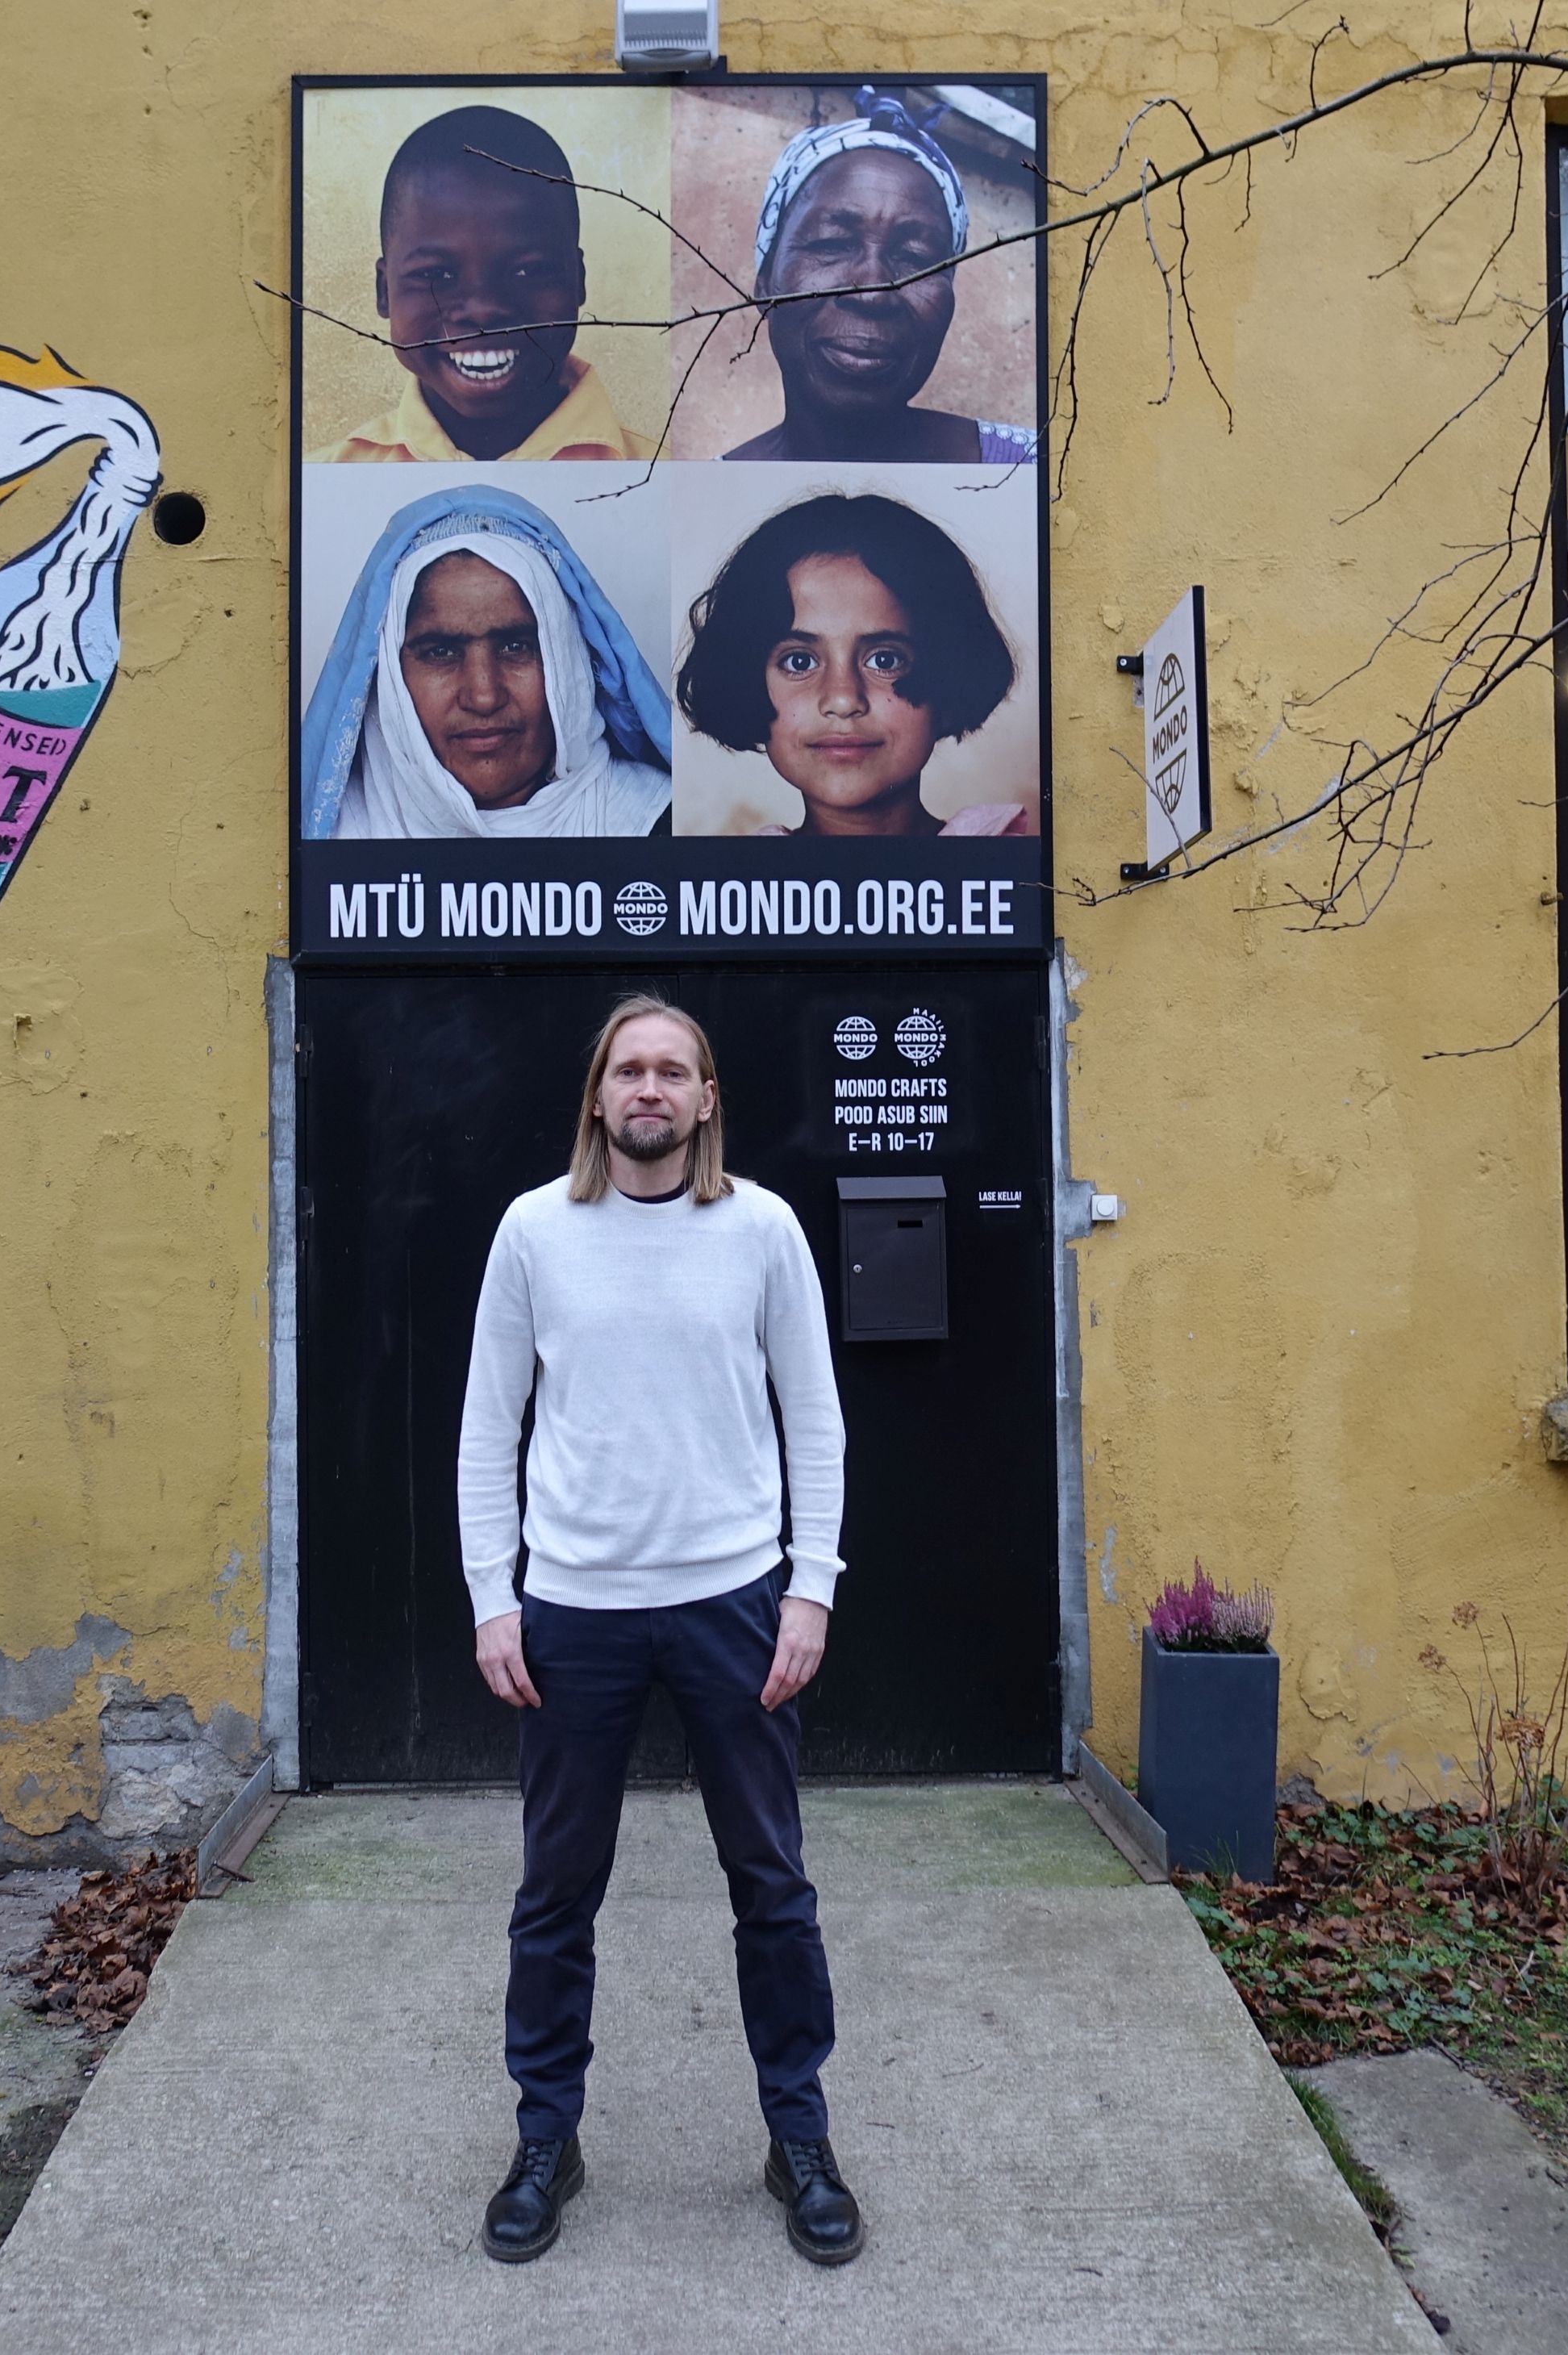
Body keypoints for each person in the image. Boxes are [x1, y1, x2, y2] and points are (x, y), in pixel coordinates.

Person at [457, 996, 862, 2271]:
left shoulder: (761, 1229)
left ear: (704, 1098)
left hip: (733, 1602)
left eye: (671, 1070)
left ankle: (797, 2134)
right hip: (574, 1608)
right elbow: (487, 1426)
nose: (648, 1087)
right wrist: (490, 1592)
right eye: (628, 1068)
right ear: (596, 1095)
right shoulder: (534, 1229)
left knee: (773, 1888)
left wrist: (811, 1587)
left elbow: (816, 1418)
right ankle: (544, 2138)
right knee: (555, 1894)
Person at [302, 484, 673, 839]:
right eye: (440, 652)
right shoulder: (321, 847)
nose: (484, 696)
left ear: (568, 660)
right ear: (388, 680)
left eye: (516, 646)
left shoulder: (662, 825)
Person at [678, 491, 1031, 837]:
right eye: (799, 661)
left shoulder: (1000, 866)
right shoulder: (739, 883)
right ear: (745, 683)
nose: (843, 700)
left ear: (951, 678)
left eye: (885, 660)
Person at [325, 104, 656, 464]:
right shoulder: (322, 489)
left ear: (577, 281)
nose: (483, 308)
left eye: (527, 272)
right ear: (384, 291)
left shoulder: (672, 485)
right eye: (438, 275)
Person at [724, 90, 1036, 466]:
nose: (872, 292)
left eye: (914, 258)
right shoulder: (700, 507)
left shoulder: (1029, 474)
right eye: (832, 243)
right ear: (765, 283)